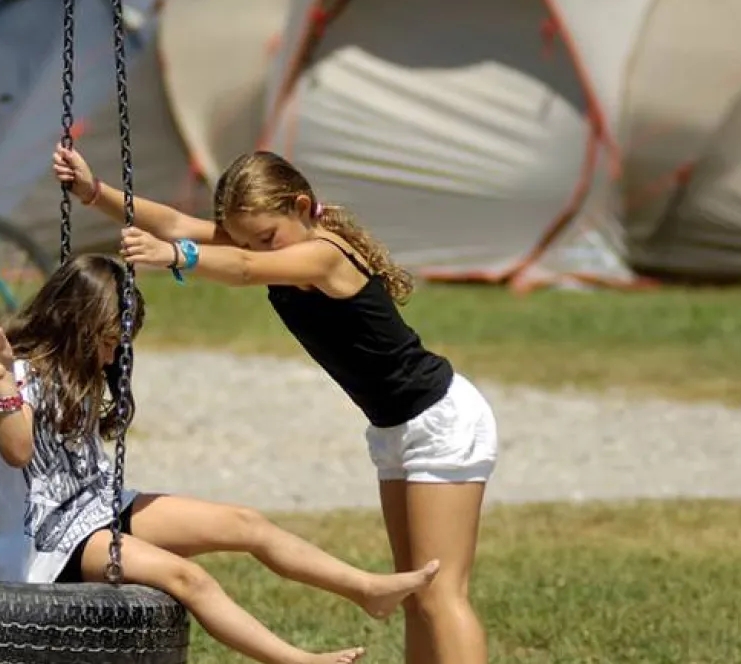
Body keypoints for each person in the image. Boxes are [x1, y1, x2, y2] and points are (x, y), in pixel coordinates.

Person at [51, 146, 498, 664]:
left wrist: (178, 256)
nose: (256, 248)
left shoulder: (324, 254)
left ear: (303, 207)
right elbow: (175, 220)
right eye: (247, 238)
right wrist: (92, 192)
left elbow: (239, 267)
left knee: (442, 594)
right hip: (396, 429)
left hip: (440, 420)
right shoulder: (273, 247)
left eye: (267, 238)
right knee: (416, 591)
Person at [0, 253, 439, 664]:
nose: (112, 356)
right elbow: (17, 452)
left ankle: (366, 590)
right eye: (108, 342)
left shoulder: (81, 366)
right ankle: (298, 661)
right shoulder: (16, 373)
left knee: (245, 523)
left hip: (95, 507)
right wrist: (5, 383)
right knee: (187, 578)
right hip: (45, 541)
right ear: (75, 325)